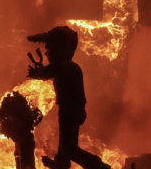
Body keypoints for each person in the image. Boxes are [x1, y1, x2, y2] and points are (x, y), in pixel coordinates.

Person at [26, 26, 110, 169]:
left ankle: (99, 167)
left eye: (49, 48)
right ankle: (60, 165)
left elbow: (49, 72)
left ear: (60, 49)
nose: (46, 53)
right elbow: (50, 71)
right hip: (70, 110)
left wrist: (38, 74)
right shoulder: (68, 66)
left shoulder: (67, 66)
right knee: (64, 149)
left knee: (70, 149)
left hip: (71, 110)